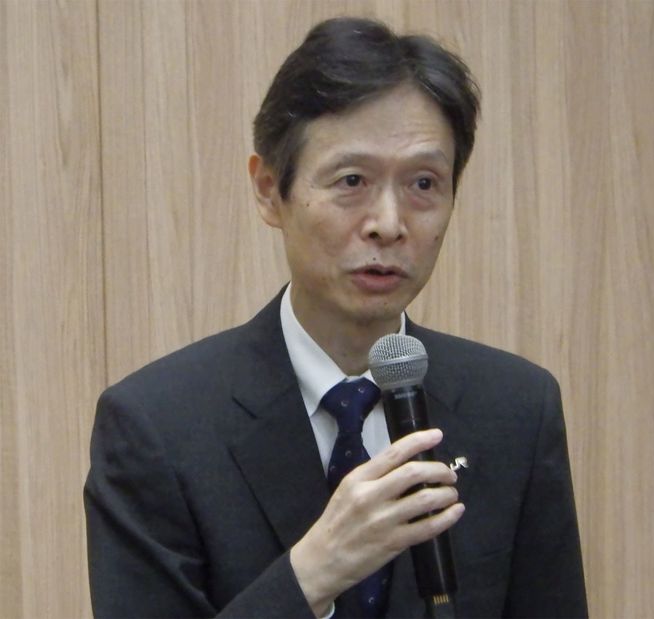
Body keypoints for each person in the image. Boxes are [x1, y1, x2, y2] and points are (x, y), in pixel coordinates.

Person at [84, 16, 587, 619]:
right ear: (269, 190)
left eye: (424, 183)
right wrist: (311, 574)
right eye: (352, 180)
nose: (389, 224)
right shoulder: (155, 427)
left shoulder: (517, 409)